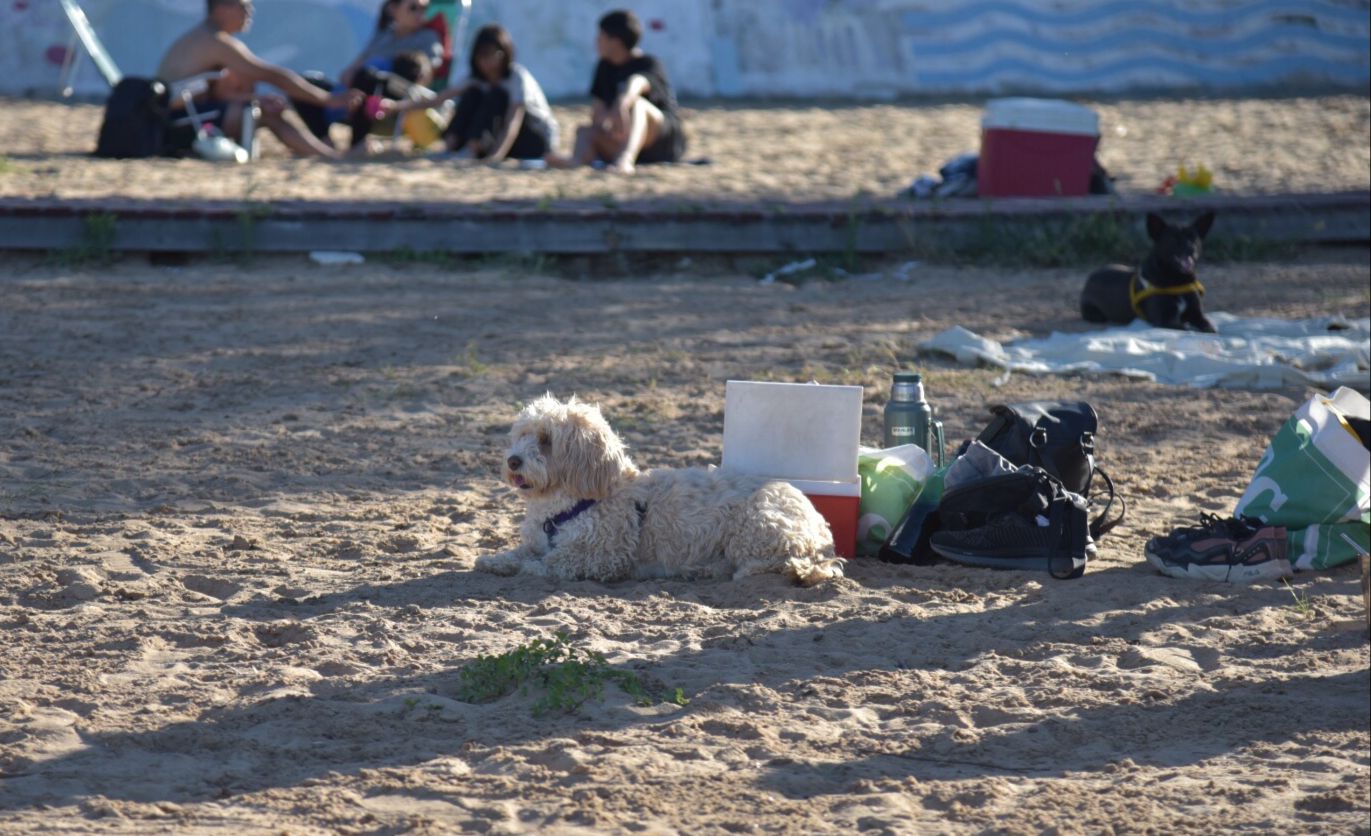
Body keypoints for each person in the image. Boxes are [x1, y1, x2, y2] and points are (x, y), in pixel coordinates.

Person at [157, 0, 362, 159]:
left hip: (180, 119)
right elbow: (273, 76)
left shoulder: (207, 38)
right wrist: (328, 99)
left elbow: (221, 93)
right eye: (243, 5)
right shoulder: (215, 42)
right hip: (176, 124)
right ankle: (329, 157)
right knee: (263, 113)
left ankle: (325, 153)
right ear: (221, 8)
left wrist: (257, 97)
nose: (250, 11)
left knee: (260, 103)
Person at [386, 24, 559, 162]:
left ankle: (472, 148)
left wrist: (496, 157)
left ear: (504, 54)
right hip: (501, 139)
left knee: (496, 95)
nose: (486, 62)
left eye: (492, 55)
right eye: (481, 56)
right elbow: (438, 100)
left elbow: (513, 122)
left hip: (534, 139)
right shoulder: (476, 78)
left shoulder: (516, 78)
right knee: (472, 94)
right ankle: (451, 147)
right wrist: (396, 106)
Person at [552, 9, 685, 174]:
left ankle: (625, 159)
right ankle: (577, 161)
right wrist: (606, 124)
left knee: (639, 105)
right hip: (622, 136)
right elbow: (598, 109)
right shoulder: (604, 67)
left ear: (615, 41)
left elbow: (638, 82)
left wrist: (623, 102)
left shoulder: (649, 63)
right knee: (585, 131)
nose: (596, 41)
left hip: (661, 141)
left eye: (601, 37)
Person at [331, 0, 447, 149]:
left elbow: (426, 78)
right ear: (393, 9)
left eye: (424, 8)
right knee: (313, 83)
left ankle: (357, 143)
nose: (420, 13)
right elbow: (349, 73)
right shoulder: (383, 36)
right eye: (413, 7)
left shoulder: (428, 37)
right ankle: (323, 139)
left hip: (403, 92)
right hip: (364, 89)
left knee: (368, 76)